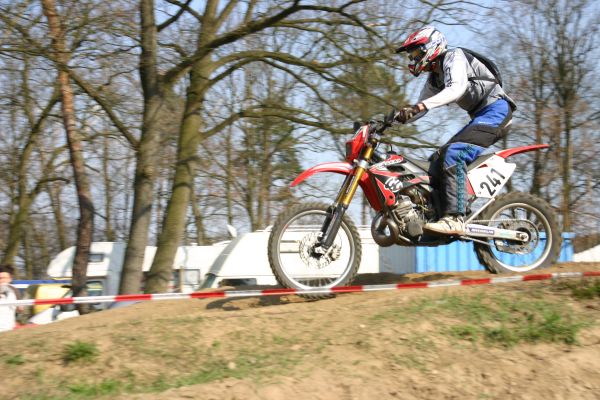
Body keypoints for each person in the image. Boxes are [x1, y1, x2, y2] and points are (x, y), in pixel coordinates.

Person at [395, 26, 516, 235]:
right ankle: (437, 214)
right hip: (481, 117)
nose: (413, 58)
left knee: (454, 154)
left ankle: (455, 218)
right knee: (436, 159)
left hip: (497, 112)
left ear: (431, 47)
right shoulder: (435, 78)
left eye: (416, 53)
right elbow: (419, 108)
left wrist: (420, 106)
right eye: (411, 55)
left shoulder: (454, 57)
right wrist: (388, 121)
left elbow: (456, 89)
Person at [0, 264, 20, 332]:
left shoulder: (15, 290)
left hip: (9, 329)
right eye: (0, 278)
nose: (2, 280)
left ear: (10, 279)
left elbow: (20, 309)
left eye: (4, 278)